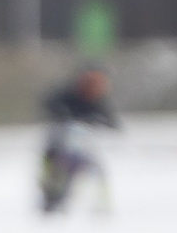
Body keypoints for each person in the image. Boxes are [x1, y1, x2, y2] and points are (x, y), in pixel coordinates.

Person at [38, 64, 119, 214]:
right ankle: (50, 196)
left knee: (96, 170)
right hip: (60, 144)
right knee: (54, 165)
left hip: (82, 146)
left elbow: (111, 121)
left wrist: (102, 123)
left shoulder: (96, 102)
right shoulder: (67, 94)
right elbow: (50, 106)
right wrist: (63, 116)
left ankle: (100, 204)